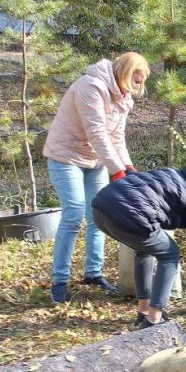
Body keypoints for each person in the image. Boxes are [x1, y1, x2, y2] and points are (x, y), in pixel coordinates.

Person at [44, 52, 151, 303]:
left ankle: (93, 274)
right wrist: (116, 170)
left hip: (95, 160)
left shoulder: (123, 98)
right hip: (65, 156)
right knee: (73, 214)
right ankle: (59, 281)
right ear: (125, 72)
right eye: (136, 79)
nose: (138, 86)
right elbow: (97, 133)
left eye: (141, 81)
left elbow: (116, 137)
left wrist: (127, 166)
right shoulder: (90, 87)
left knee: (98, 216)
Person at [91, 165, 186, 329]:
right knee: (170, 255)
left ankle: (144, 310)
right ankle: (154, 320)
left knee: (145, 249)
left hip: (100, 208)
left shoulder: (176, 177)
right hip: (127, 213)